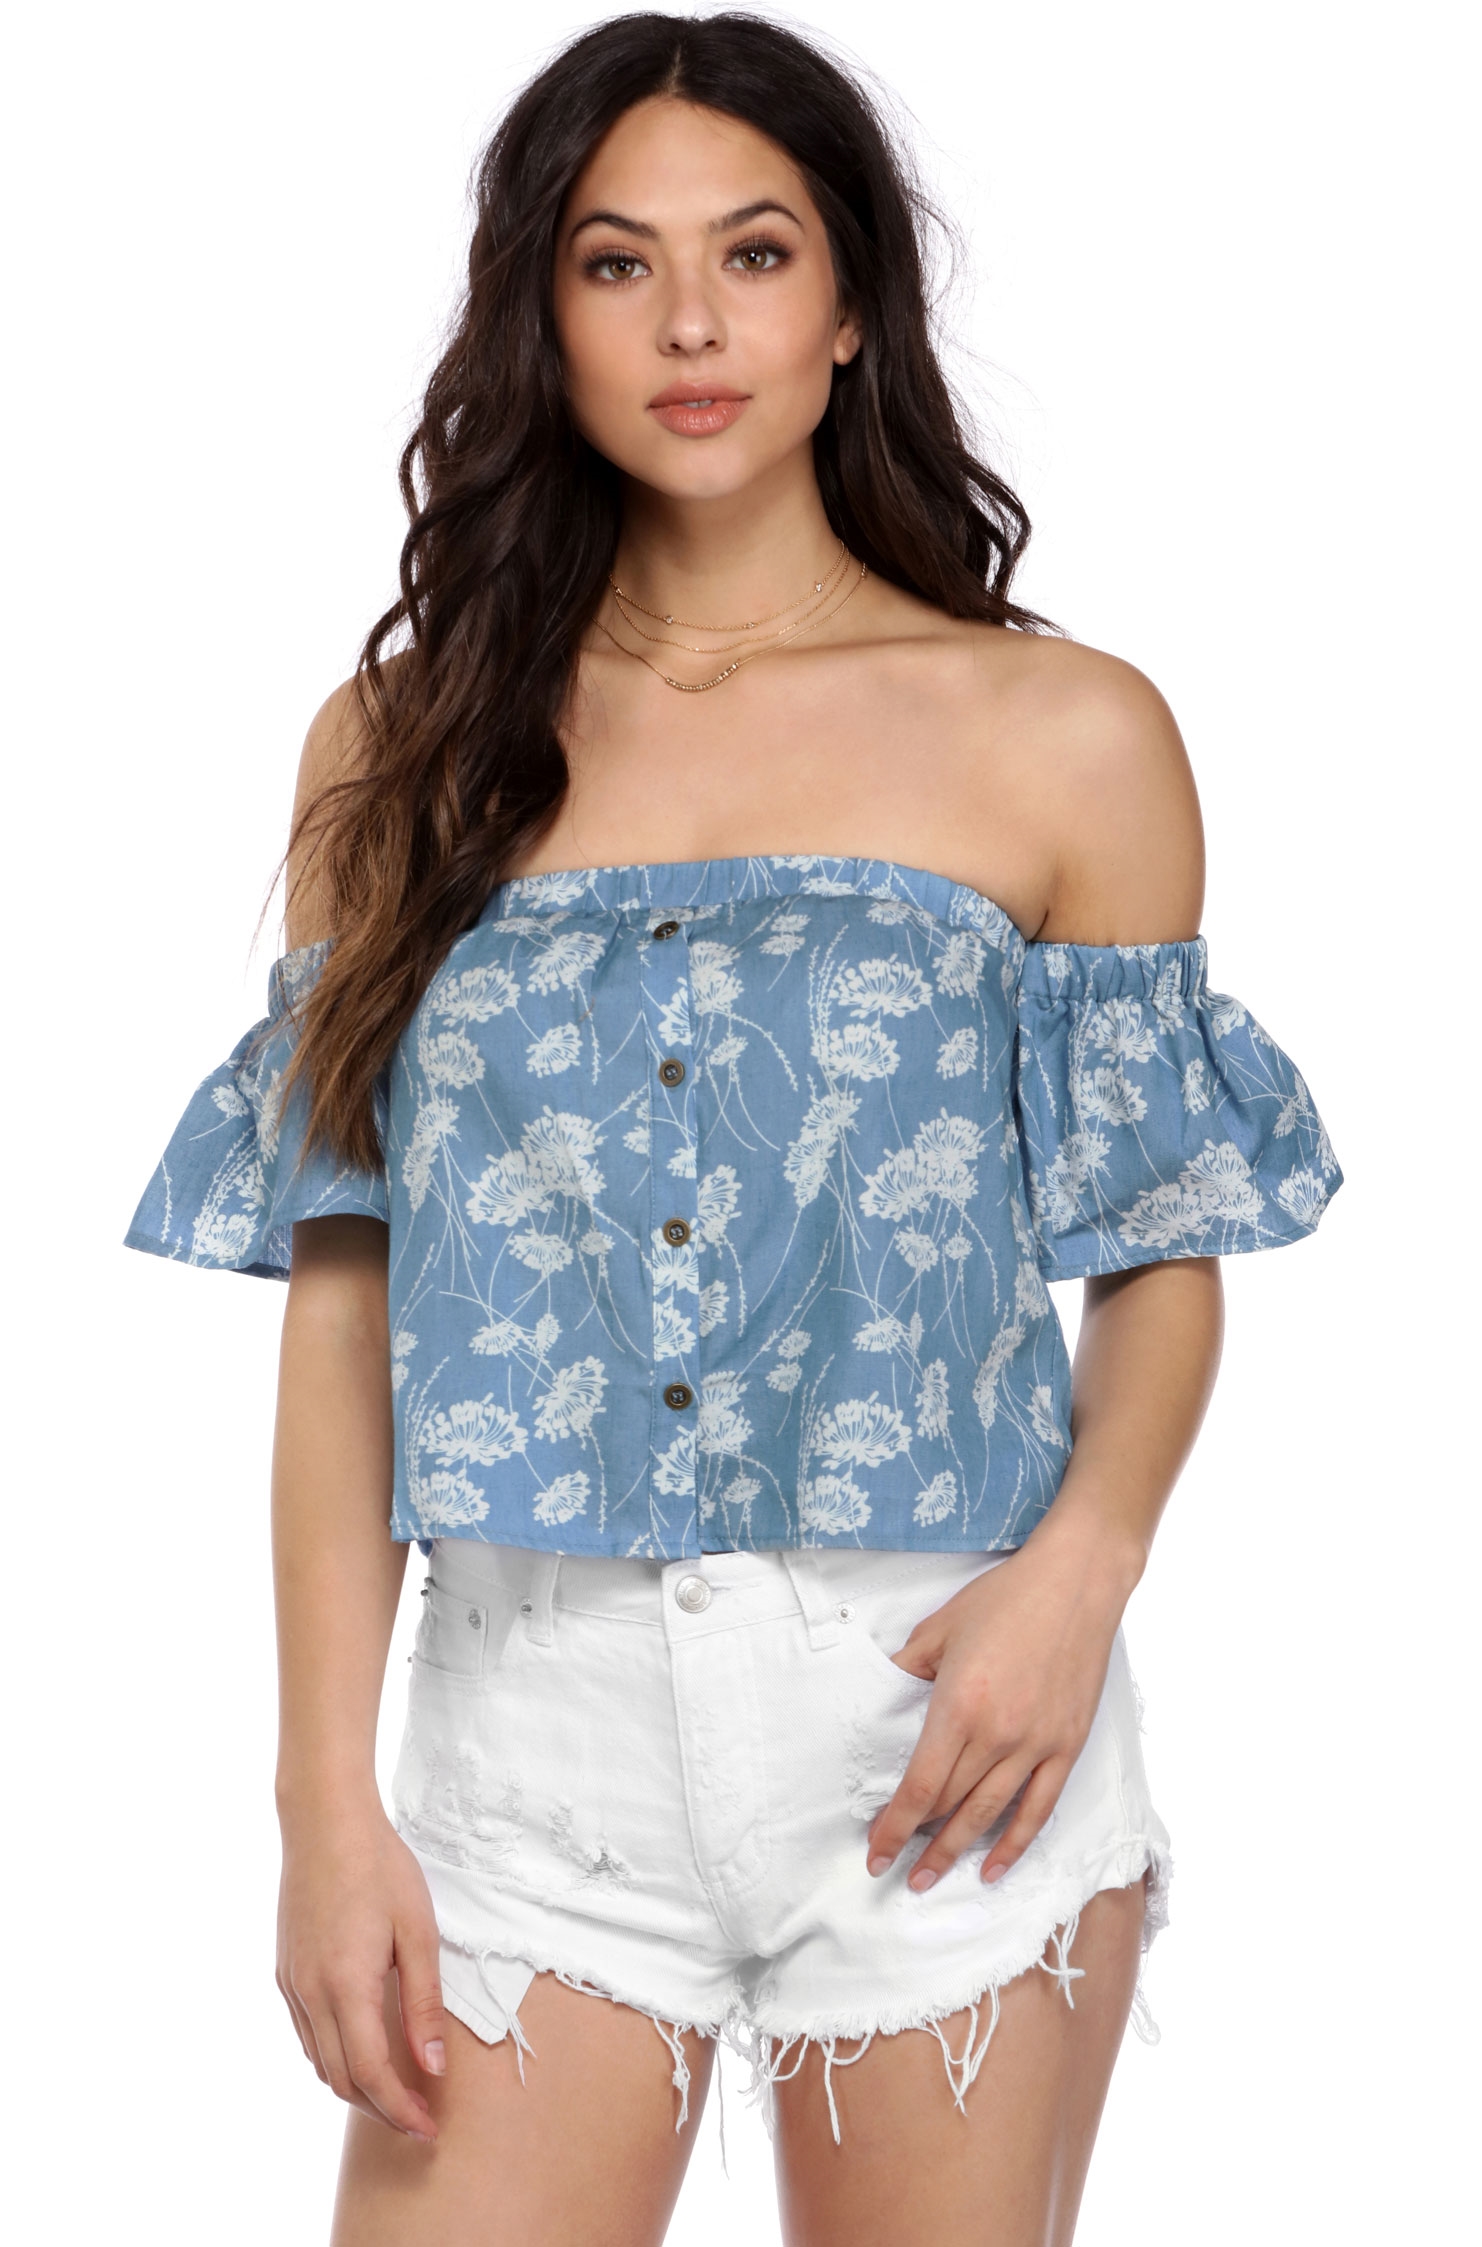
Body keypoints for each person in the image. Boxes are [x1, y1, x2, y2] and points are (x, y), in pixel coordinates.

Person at [124, 13, 1342, 2243]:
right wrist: (321, 1799)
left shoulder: (1065, 733)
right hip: (530, 1733)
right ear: (542, 313)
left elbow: (1162, 1242)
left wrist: (1080, 1574)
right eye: (618, 263)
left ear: (852, 301)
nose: (692, 323)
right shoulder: (395, 748)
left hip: (944, 1709)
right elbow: (348, 1302)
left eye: (756, 254)